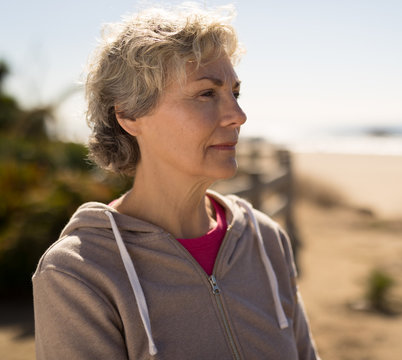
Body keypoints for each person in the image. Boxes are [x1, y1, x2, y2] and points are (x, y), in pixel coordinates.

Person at [32, 5, 319, 360]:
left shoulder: (265, 239)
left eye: (235, 93)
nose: (238, 115)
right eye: (207, 94)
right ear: (130, 114)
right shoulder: (80, 273)